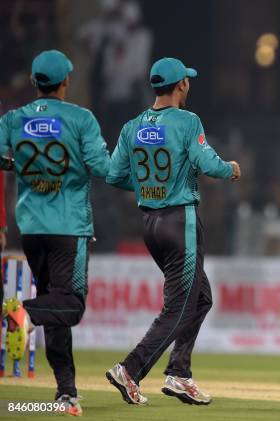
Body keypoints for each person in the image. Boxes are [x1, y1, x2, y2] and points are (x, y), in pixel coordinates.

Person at [105, 57, 241, 406]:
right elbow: (207, 162)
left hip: (150, 224)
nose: (189, 85)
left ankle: (179, 373)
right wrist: (230, 168)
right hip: (181, 221)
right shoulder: (187, 120)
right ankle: (130, 369)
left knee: (201, 299)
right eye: (187, 81)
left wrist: (147, 186)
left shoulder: (132, 126)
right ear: (181, 85)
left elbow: (113, 174)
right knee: (179, 307)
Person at [0, 49, 112, 416]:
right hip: (69, 226)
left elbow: (3, 158)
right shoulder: (81, 119)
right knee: (71, 305)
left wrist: (22, 164)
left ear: (35, 82)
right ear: (67, 80)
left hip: (31, 226)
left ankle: (66, 391)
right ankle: (23, 313)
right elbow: (102, 166)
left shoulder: (13, 119)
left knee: (56, 306)